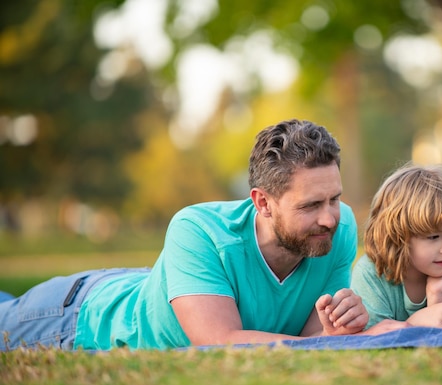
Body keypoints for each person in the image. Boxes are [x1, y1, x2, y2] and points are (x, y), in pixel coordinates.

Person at [0, 119, 398, 351]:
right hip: (78, 316)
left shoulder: (339, 226)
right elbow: (221, 341)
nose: (330, 217)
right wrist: (325, 343)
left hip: (156, 285)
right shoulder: (197, 230)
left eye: (334, 198)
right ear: (262, 202)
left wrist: (336, 329)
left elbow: (311, 338)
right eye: (310, 206)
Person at [351, 163, 442, 329]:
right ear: (398, 236)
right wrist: (415, 322)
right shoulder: (372, 274)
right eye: (433, 237)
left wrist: (436, 296)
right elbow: (374, 341)